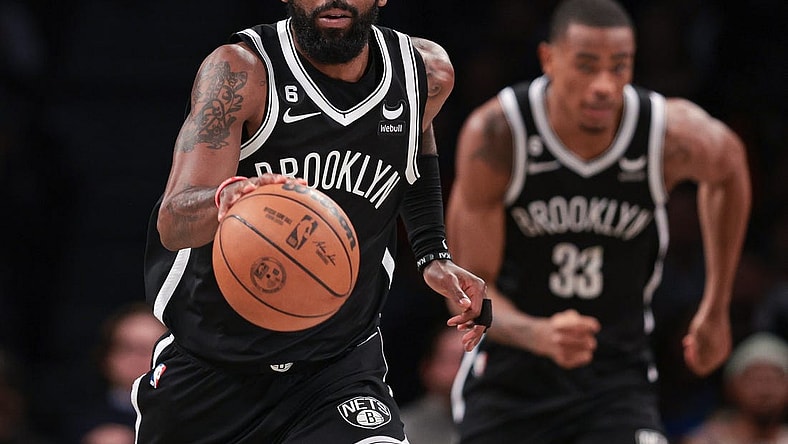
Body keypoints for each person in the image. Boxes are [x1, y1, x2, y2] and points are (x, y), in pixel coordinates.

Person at [138, 1, 489, 443]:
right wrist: (224, 199)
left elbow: (415, 139)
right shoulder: (241, 71)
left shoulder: (426, 72)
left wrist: (432, 251)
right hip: (214, 365)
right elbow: (173, 222)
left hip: (337, 366)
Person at [445, 0, 751, 443]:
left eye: (619, 67)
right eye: (587, 67)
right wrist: (540, 335)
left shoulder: (665, 133)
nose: (605, 86)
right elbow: (465, 296)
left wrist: (715, 307)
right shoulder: (499, 134)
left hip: (616, 377)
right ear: (549, 59)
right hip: (509, 380)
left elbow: (730, 168)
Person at [67, 303, 166, 444]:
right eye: (127, 347)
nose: (138, 359)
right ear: (107, 357)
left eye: (150, 348)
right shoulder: (75, 417)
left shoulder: (193, 415)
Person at [681, 332, 788, 444]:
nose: (764, 390)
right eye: (755, 379)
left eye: (773, 379)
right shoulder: (706, 440)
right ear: (732, 386)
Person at [401, 326, 465, 444]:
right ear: (427, 368)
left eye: (469, 362)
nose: (464, 370)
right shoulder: (401, 431)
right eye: (453, 359)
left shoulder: (501, 422)